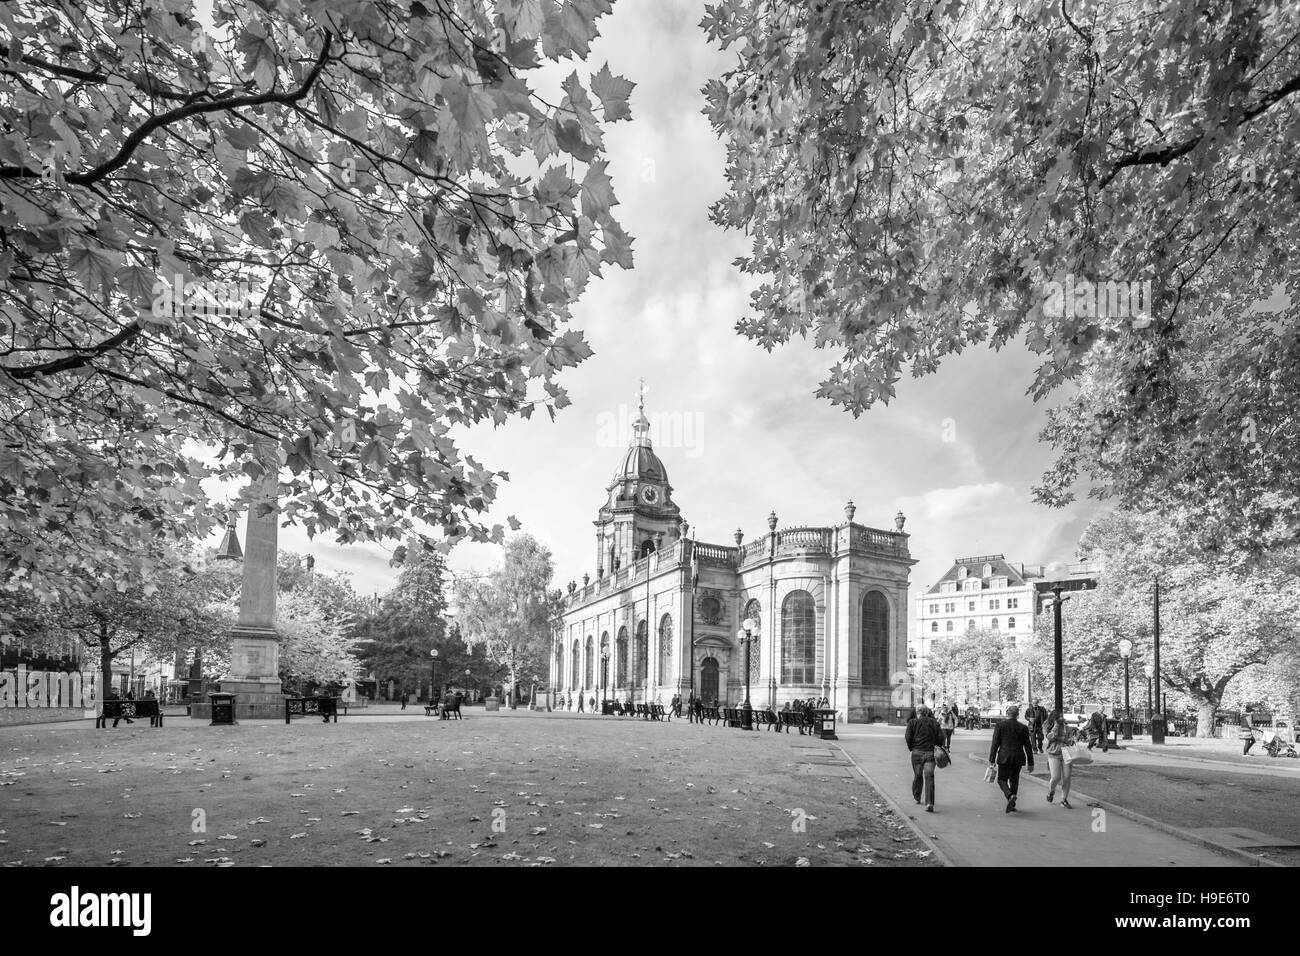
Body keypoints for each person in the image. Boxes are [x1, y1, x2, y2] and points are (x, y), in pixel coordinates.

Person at [989, 705, 1035, 813]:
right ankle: (1012, 801)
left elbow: (995, 743)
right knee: (1014, 780)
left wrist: (992, 758)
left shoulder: (1000, 725)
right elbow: (1028, 746)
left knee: (1001, 780)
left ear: (1007, 713)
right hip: (1018, 757)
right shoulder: (1023, 727)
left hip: (1004, 756)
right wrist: (1031, 762)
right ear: (1018, 715)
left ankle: (1010, 796)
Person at [905, 705, 944, 812]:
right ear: (927, 712)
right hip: (930, 753)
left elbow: (908, 737)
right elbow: (941, 737)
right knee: (929, 776)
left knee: (918, 775)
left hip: (917, 752)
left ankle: (917, 796)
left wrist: (911, 748)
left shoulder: (912, 723)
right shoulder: (934, 723)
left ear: (918, 712)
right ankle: (929, 803)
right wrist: (937, 745)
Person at [1043, 708, 1075, 809]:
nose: (1062, 718)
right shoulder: (1047, 725)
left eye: (1062, 716)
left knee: (1067, 777)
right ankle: (1051, 791)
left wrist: (1070, 741)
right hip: (1054, 753)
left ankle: (1064, 799)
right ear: (1054, 718)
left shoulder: (1066, 727)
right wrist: (1056, 725)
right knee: (1056, 777)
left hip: (1066, 753)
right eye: (1059, 716)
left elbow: (1070, 739)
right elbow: (1050, 737)